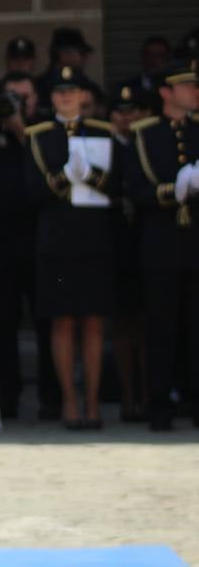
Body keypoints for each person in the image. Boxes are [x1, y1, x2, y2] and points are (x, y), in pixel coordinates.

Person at [24, 65, 119, 430]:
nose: (65, 97)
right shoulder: (38, 135)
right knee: (62, 322)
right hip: (56, 238)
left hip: (94, 236)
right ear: (51, 98)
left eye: (72, 91)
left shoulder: (103, 132)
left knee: (94, 322)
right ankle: (69, 402)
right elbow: (32, 192)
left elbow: (117, 185)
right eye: (59, 92)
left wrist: (90, 175)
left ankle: (92, 402)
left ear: (84, 96)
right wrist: (65, 177)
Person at [123, 57, 199, 431]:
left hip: (195, 241)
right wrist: (174, 190)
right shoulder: (144, 134)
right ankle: (160, 407)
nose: (194, 92)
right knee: (162, 329)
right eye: (187, 86)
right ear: (167, 92)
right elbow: (135, 190)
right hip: (161, 243)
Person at [0, 71, 57, 421]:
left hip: (39, 239)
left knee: (46, 322)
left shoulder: (44, 130)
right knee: (3, 324)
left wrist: (19, 125)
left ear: (35, 100)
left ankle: (51, 399)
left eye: (23, 97)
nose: (16, 104)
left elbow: (49, 168)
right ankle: (6, 399)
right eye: (10, 97)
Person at [108, 81, 149, 422]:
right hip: (116, 244)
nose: (126, 118)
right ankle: (128, 395)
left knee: (150, 324)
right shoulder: (105, 147)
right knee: (122, 324)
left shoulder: (151, 142)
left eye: (132, 111)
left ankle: (151, 394)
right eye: (120, 112)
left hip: (149, 242)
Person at [34, 27, 93, 109]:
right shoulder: (39, 87)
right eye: (81, 53)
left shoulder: (88, 85)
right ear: (64, 54)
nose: (85, 58)